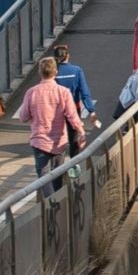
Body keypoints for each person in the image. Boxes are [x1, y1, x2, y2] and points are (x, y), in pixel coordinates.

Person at [18, 56, 84, 193]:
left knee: (43, 174)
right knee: (57, 173)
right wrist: (80, 130)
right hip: (59, 140)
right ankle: (58, 199)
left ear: (40, 72)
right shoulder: (63, 92)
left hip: (39, 139)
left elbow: (23, 117)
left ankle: (50, 200)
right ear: (56, 72)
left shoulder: (31, 92)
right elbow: (72, 115)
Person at [53, 44, 102, 152]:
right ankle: (74, 160)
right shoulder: (76, 70)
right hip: (73, 108)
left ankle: (57, 159)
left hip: (55, 110)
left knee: (56, 138)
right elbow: (84, 92)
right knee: (73, 138)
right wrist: (91, 111)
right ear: (68, 56)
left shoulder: (52, 72)